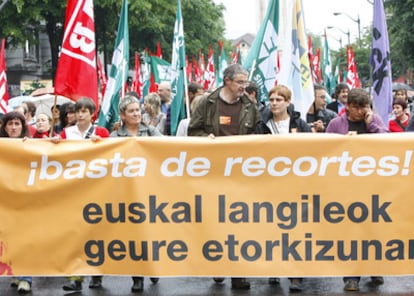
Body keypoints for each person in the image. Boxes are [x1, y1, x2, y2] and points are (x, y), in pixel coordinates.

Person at [188, 64, 260, 290]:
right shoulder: (206, 103)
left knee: (240, 222)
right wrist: (205, 138)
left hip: (241, 174)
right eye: (239, 82)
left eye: (245, 82)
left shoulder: (250, 105)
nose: (243, 86)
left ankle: (239, 272)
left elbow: (258, 135)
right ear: (227, 81)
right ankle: (218, 263)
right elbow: (193, 131)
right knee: (216, 220)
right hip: (214, 173)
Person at [325, 88, 386, 291]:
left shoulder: (374, 120)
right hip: (346, 186)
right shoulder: (336, 124)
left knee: (372, 229)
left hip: (371, 184)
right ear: (348, 106)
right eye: (357, 107)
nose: (361, 111)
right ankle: (351, 277)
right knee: (350, 232)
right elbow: (325, 149)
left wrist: (371, 125)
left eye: (365, 107)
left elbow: (387, 143)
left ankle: (375, 267)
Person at [255, 85, 310, 292]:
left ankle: (296, 275)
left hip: (295, 184)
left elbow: (311, 149)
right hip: (269, 184)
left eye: (279, 99)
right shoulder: (262, 124)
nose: (275, 103)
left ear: (288, 102)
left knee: (296, 230)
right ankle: (274, 269)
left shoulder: (300, 124)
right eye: (272, 99)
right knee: (271, 228)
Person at [55, 97, 110, 292]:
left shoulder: (101, 132)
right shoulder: (66, 133)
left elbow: (112, 156)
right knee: (75, 233)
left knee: (95, 232)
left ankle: (96, 274)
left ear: (92, 114)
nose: (79, 115)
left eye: (84, 111)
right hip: (73, 188)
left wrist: (101, 143)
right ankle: (75, 276)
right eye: (77, 111)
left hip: (95, 188)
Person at [110, 95, 161, 292]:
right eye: (131, 111)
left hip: (150, 189)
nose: (136, 114)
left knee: (151, 232)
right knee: (134, 235)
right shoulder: (114, 137)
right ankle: (137, 276)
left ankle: (154, 267)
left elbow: (169, 149)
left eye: (138, 110)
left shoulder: (150, 131)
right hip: (126, 191)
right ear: (122, 115)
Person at [0, 111, 31, 293]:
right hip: (3, 200)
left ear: (22, 126)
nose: (13, 127)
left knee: (24, 238)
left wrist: (54, 142)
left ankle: (25, 277)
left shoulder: (32, 144)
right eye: (10, 124)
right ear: (4, 127)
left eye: (17, 124)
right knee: (6, 239)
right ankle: (13, 272)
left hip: (24, 200)